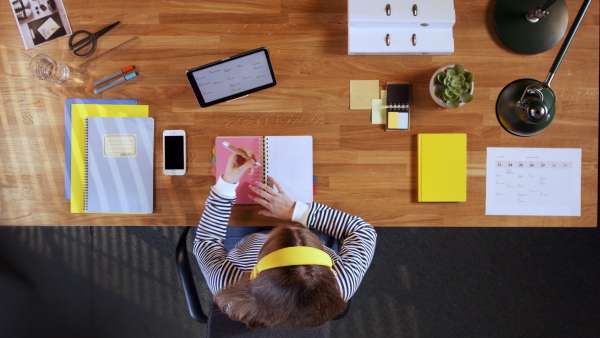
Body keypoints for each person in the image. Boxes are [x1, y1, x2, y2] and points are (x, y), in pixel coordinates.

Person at [194, 146, 377, 329]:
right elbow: (364, 232)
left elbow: (206, 242)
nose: (285, 225)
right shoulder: (339, 284)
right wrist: (296, 212)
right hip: (296, 219)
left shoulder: (231, 286)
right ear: (330, 268)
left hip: (247, 241)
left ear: (255, 273)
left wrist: (227, 184)